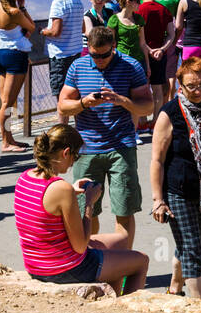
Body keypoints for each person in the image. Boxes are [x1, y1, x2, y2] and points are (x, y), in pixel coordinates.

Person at [14, 124, 148, 292]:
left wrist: (71, 192)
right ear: (66, 153)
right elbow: (80, 246)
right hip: (64, 268)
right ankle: (125, 311)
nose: (73, 163)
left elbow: (48, 208)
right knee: (141, 260)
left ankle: (113, 300)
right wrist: (89, 203)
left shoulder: (24, 178)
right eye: (75, 156)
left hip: (36, 263)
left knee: (121, 241)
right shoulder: (62, 189)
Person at [57, 26, 152, 250]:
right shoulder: (78, 67)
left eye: (104, 55)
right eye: (94, 55)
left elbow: (147, 105)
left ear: (114, 47)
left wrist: (122, 101)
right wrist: (83, 103)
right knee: (86, 210)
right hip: (86, 148)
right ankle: (92, 261)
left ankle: (125, 266)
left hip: (121, 147)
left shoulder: (131, 66)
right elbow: (63, 105)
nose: (99, 60)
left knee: (124, 209)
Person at [150, 56, 201, 298]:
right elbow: (157, 160)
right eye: (191, 86)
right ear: (180, 86)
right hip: (178, 191)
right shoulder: (169, 113)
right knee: (193, 248)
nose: (197, 91)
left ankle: (175, 287)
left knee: (190, 243)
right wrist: (157, 199)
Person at [0, 0, 36, 153]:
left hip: (1, 54)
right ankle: (5, 142)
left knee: (5, 102)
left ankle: (9, 139)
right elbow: (30, 26)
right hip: (16, 56)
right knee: (7, 103)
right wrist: (23, 7)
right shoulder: (15, 11)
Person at [40, 0, 84, 101]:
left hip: (60, 55)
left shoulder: (58, 1)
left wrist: (43, 31)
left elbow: (55, 31)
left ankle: (62, 122)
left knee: (61, 97)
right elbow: (81, 28)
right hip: (75, 52)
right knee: (75, 94)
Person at [137, 0, 175, 117]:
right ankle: (156, 121)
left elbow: (138, 35)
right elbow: (171, 34)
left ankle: (141, 121)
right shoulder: (164, 10)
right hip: (160, 55)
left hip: (142, 55)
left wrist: (148, 49)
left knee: (141, 88)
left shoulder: (139, 11)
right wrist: (162, 49)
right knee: (158, 89)